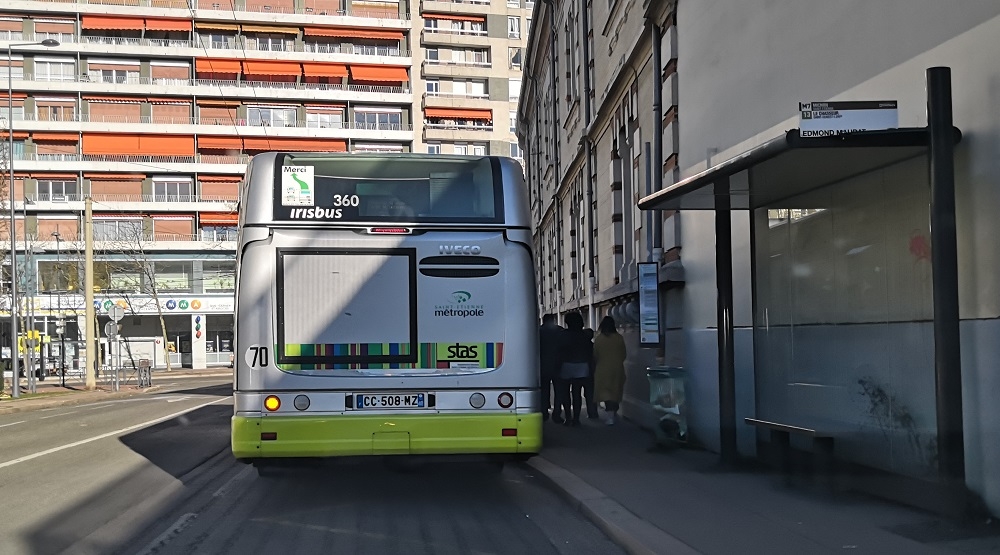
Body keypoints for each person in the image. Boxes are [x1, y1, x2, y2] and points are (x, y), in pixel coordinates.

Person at [556, 312, 593, 426]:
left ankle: (568, 417)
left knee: (565, 392)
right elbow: (590, 351)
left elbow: (558, 351)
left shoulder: (562, 335)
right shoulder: (585, 335)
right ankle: (576, 419)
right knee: (577, 393)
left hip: (566, 365)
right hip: (582, 366)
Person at [593, 316, 627, 425]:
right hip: (617, 368)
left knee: (605, 392)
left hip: (602, 369)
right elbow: (624, 354)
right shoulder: (619, 338)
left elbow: (595, 355)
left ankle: (610, 415)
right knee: (616, 392)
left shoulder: (599, 339)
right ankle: (614, 412)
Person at [538, 313, 564, 422]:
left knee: (544, 390)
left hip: (543, 365)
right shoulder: (560, 331)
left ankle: (544, 412)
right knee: (559, 391)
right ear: (553, 320)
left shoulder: (538, 331)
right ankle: (557, 413)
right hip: (558, 364)